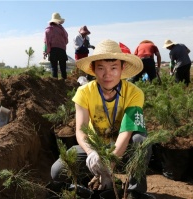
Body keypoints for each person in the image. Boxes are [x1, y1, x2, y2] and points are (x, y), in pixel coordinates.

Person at [50, 39, 154, 199]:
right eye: (101, 68)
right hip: (95, 149)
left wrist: (109, 166)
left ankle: (135, 192)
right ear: (93, 69)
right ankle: (91, 181)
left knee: (141, 141)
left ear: (122, 68)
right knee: (57, 171)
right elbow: (80, 129)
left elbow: (127, 132)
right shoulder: (84, 92)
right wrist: (91, 153)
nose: (107, 75)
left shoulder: (134, 93)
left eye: (113, 68)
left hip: (123, 147)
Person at [43, 12, 69, 79]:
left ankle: (55, 84)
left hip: (53, 50)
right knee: (63, 68)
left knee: (54, 68)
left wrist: (45, 52)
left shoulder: (48, 30)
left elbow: (46, 42)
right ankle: (65, 83)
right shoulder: (62, 29)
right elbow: (66, 40)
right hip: (61, 50)